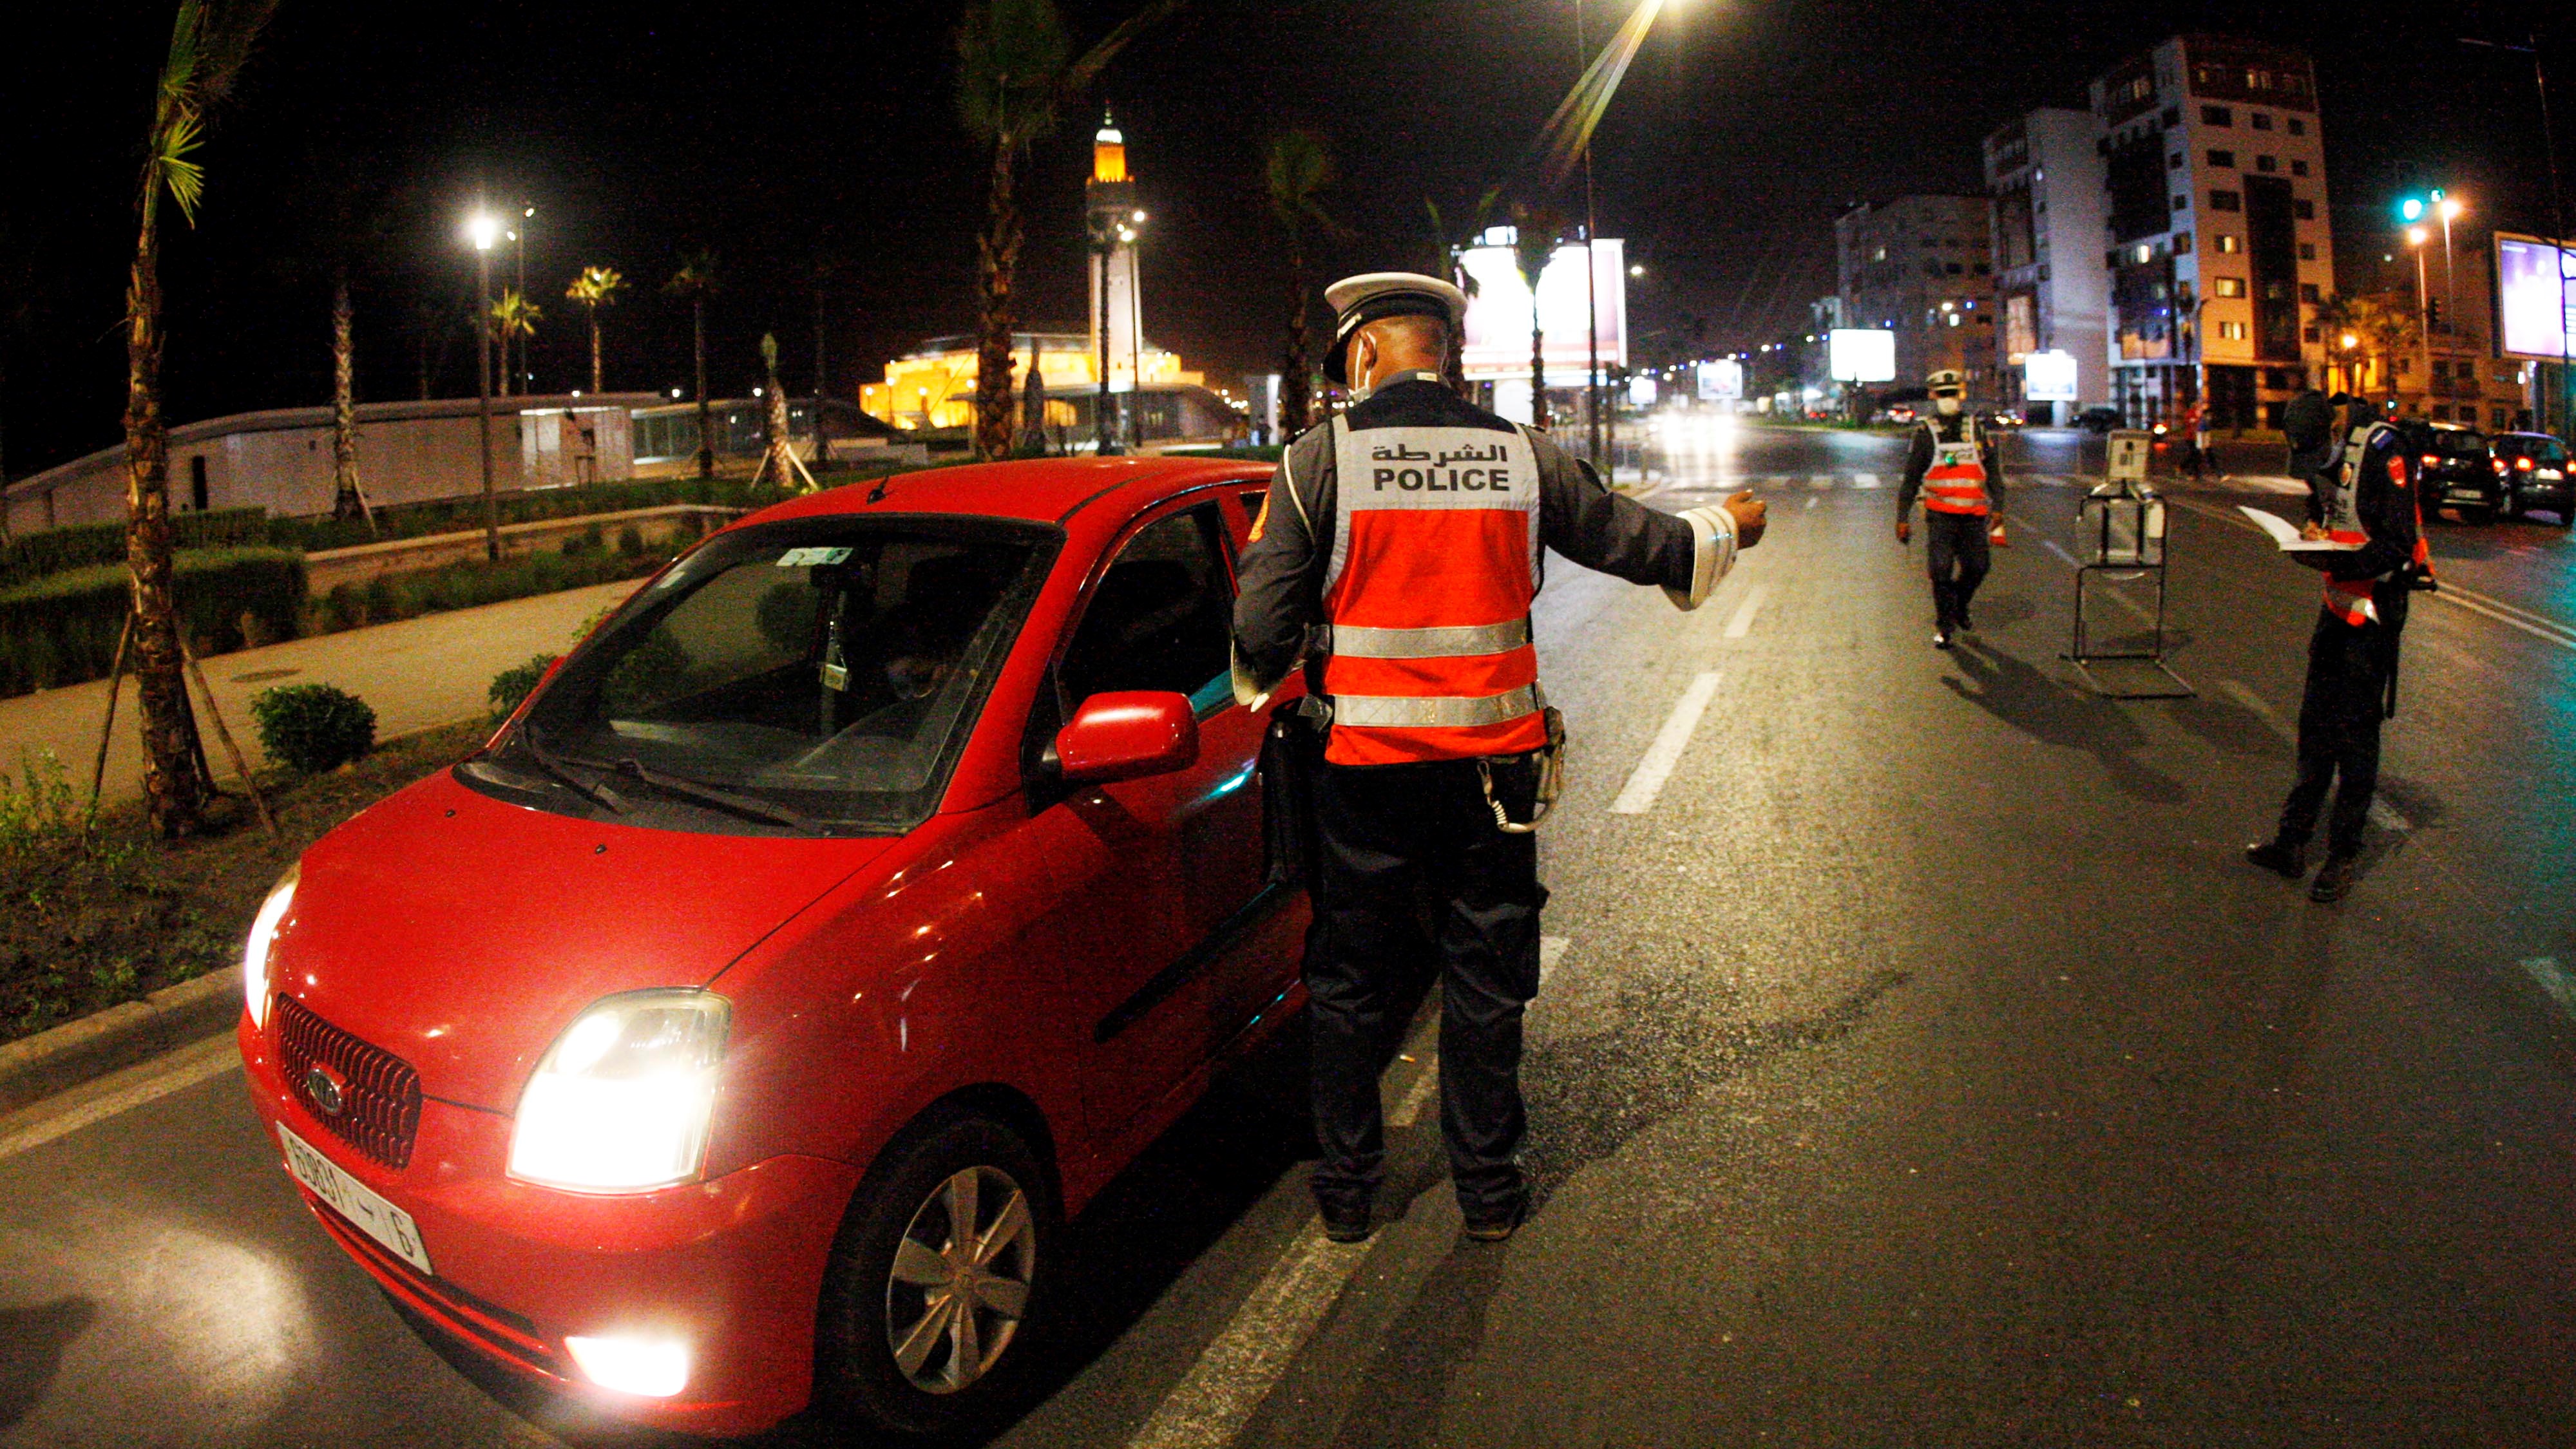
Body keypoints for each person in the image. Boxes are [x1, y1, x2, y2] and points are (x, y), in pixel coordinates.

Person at [1232, 272, 1767, 1244]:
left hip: (1360, 774)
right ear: (1446, 351)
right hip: (1491, 777)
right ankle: (1487, 1189)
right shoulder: (1523, 456)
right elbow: (1637, 543)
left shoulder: (1320, 461)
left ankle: (1349, 1191)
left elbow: (1259, 632)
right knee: (1484, 974)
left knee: (1350, 980)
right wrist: (1727, 526)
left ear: (1361, 353)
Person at [2244, 399, 2421, 902]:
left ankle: (2342, 856)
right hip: (2338, 605)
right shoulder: (2325, 456)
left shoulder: (2385, 450)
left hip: (2375, 612)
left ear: (2335, 430)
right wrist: (2312, 538)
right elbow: (2326, 510)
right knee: (2314, 727)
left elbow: (2398, 543)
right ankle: (2291, 842)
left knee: (2355, 738)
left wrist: (2339, 562)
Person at [1894, 369, 2007, 648]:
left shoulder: (1977, 429)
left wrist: (1999, 509)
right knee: (1940, 570)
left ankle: (1959, 605)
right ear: (1933, 395)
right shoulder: (1925, 432)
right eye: (1942, 394)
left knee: (1978, 568)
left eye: (1952, 393)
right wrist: (1902, 517)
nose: (1948, 399)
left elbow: (1992, 470)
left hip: (1973, 516)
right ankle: (1945, 626)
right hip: (1940, 515)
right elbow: (1911, 478)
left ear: (1961, 394)